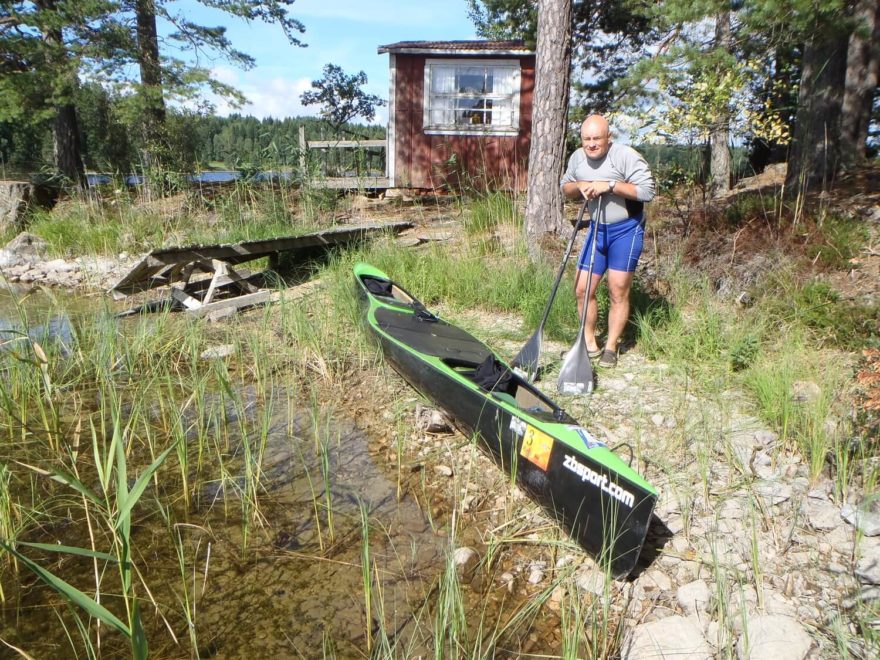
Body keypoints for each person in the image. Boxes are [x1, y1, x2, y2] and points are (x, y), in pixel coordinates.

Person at [560, 114, 655, 368]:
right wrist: (580, 185)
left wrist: (610, 185)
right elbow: (565, 188)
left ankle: (611, 346)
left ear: (608, 138)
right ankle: (589, 343)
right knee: (582, 288)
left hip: (626, 230)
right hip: (596, 229)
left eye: (597, 139)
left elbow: (647, 191)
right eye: (586, 139)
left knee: (617, 290)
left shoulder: (625, 156)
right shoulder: (578, 158)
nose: (591, 144)